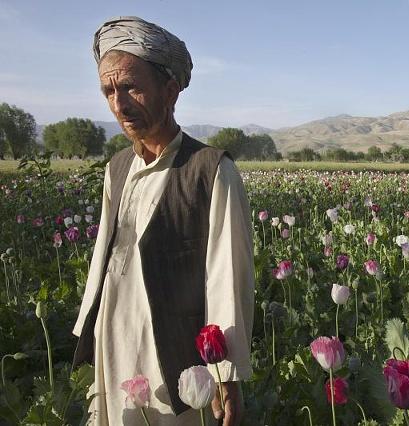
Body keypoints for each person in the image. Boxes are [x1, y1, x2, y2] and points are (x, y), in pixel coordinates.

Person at [72, 16, 254, 425]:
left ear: (171, 91)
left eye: (132, 87)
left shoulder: (210, 169)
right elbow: (103, 262)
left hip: (173, 359)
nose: (119, 104)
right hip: (114, 344)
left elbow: (228, 279)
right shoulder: (116, 168)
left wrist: (226, 375)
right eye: (109, 91)